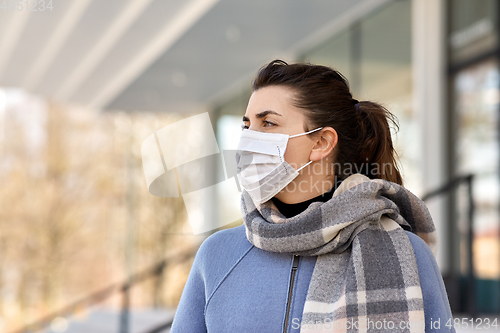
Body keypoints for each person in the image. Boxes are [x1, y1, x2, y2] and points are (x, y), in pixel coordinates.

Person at [170, 59, 455, 332]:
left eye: (268, 123)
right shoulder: (218, 254)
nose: (247, 140)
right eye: (247, 126)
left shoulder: (407, 252)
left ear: (321, 142)